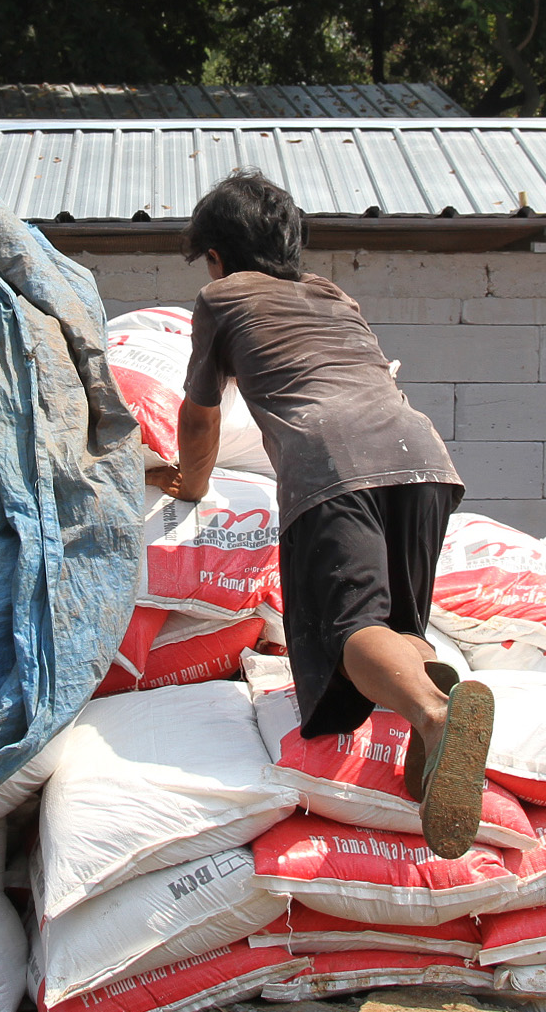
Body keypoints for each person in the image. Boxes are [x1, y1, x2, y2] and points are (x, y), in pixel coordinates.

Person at [145, 168, 493, 860]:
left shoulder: (220, 297)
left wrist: (188, 484)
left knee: (347, 630)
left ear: (215, 253)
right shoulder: (334, 295)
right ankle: (427, 688)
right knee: (394, 624)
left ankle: (433, 715)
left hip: (332, 467)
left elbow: (201, 412)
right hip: (421, 456)